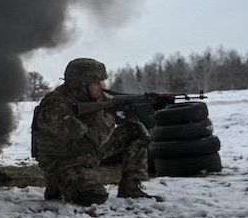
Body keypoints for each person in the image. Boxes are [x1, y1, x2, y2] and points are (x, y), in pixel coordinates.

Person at [31, 58, 159, 205]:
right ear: (81, 84)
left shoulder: (94, 97)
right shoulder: (56, 106)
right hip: (62, 161)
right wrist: (111, 117)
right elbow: (89, 142)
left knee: (135, 130)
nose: (102, 86)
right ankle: (56, 181)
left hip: (82, 153)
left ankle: (131, 187)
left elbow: (118, 101)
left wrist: (143, 107)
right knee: (93, 197)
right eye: (97, 82)